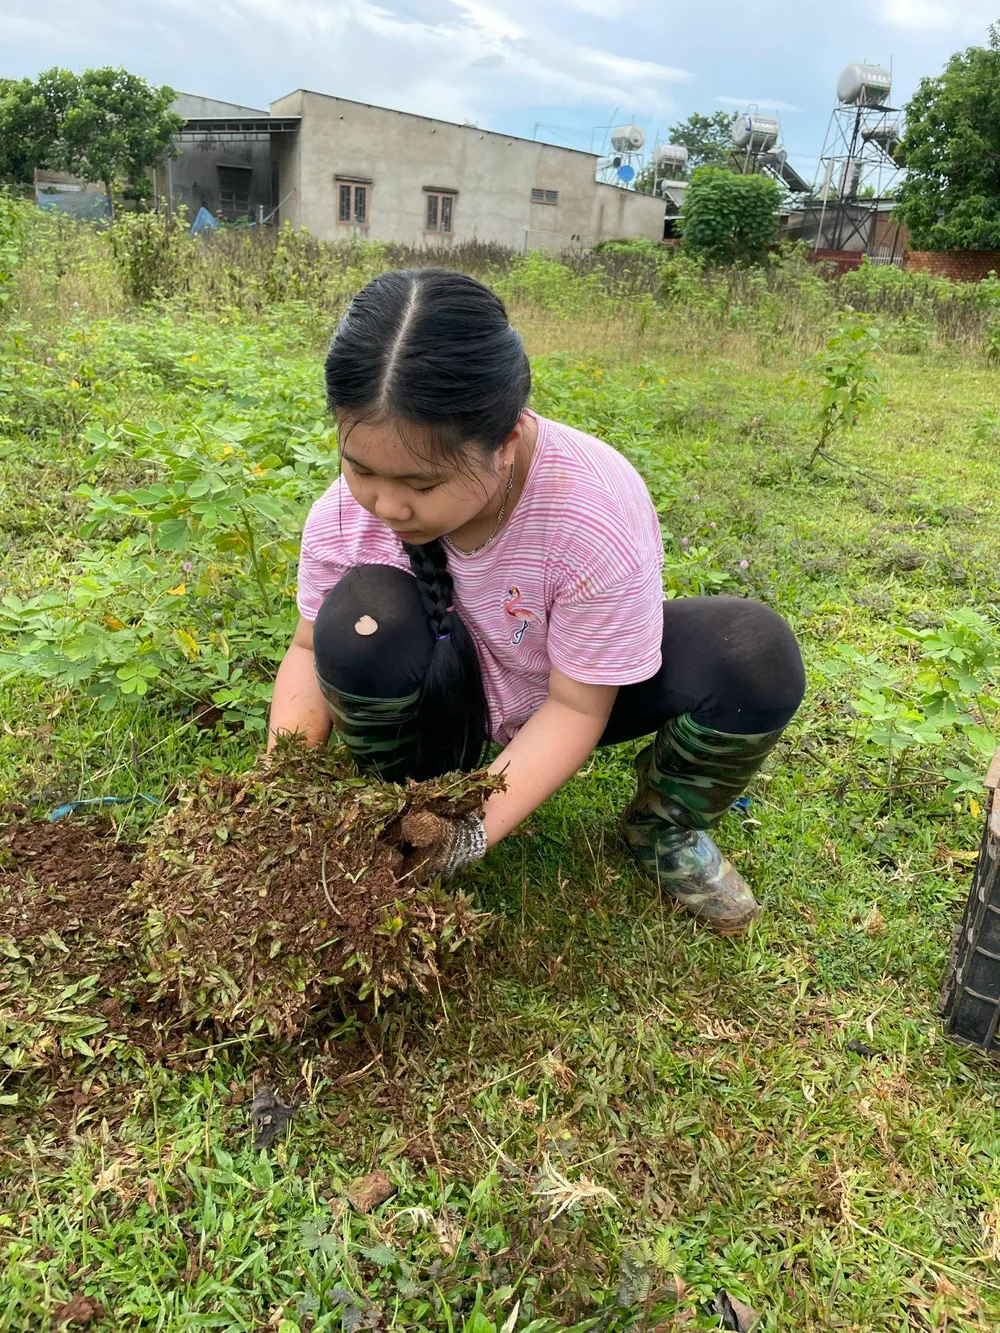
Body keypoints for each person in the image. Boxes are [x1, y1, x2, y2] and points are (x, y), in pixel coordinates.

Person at [268, 269, 805, 935]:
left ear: (506, 441)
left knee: (755, 650)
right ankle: (398, 798)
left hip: (567, 690)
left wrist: (468, 832)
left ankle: (662, 830)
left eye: (421, 482)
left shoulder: (593, 511)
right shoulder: (345, 516)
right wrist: (280, 783)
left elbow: (577, 704)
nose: (387, 504)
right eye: (362, 468)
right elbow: (305, 648)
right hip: (441, 697)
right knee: (359, 618)